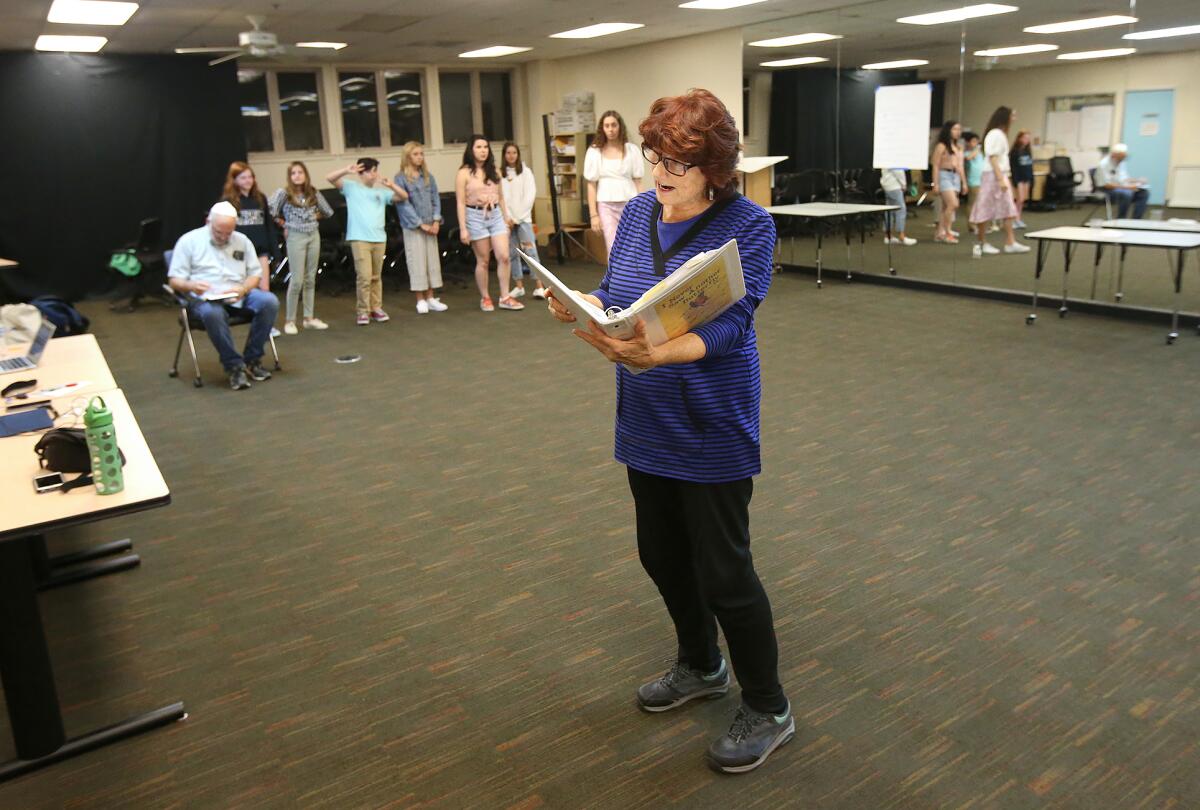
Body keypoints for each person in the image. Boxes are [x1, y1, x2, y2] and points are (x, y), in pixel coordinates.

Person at [544, 89, 792, 775]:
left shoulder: (749, 226)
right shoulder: (638, 215)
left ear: (714, 166)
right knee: (660, 553)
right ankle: (701, 664)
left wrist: (656, 352)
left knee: (725, 572)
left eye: (679, 162)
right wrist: (584, 306)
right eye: (656, 156)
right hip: (647, 417)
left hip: (711, 421)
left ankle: (769, 705)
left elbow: (730, 325)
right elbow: (616, 289)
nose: (661, 173)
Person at [167, 201, 280, 391]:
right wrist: (191, 284)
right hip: (203, 298)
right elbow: (174, 280)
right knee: (213, 314)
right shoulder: (189, 241)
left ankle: (252, 360)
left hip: (238, 293)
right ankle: (234, 366)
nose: (224, 237)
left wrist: (244, 289)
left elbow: (255, 274)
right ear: (208, 222)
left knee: (269, 302)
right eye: (219, 232)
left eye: (229, 233)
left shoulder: (242, 240)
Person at [326, 158, 407, 325]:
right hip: (360, 238)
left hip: (379, 238)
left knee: (376, 276)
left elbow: (404, 196)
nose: (374, 174)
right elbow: (330, 178)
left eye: (375, 170)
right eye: (371, 171)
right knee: (364, 276)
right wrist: (346, 170)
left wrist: (390, 184)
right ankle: (362, 311)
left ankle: (376, 308)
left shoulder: (380, 193)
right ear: (361, 173)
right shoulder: (351, 188)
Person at [455, 135, 523, 312]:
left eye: (485, 147)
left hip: (495, 215)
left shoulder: (495, 171)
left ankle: (505, 296)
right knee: (484, 260)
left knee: (504, 256)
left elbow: (501, 197)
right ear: (471, 150)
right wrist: (463, 228)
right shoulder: (463, 173)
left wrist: (506, 217)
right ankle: (485, 297)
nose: (483, 150)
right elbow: (460, 202)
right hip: (475, 216)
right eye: (478, 147)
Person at [269, 161, 334, 334]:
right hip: (295, 236)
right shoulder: (284, 193)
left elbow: (328, 211)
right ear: (290, 177)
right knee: (296, 279)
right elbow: (270, 210)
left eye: (300, 172)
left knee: (310, 277)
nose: (297, 175)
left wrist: (313, 217)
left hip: (313, 235)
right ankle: (290, 320)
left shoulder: (313, 192)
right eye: (293, 173)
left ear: (305, 174)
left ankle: (308, 318)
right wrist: (283, 223)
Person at [394, 142, 448, 314]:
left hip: (430, 224)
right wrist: (420, 224)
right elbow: (404, 205)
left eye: (421, 154)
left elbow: (435, 199)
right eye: (416, 154)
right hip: (413, 227)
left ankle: (431, 297)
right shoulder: (400, 178)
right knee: (417, 262)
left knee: (431, 261)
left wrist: (436, 220)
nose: (420, 157)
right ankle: (420, 299)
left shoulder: (428, 176)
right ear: (408, 157)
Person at [968, 106, 1029, 258]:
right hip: (994, 175)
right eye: (1012, 115)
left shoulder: (999, 134)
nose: (1014, 118)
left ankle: (1010, 242)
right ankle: (982, 242)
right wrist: (1001, 179)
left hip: (998, 174)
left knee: (1008, 208)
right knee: (986, 208)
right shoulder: (995, 134)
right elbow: (992, 157)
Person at [584, 110, 644, 254]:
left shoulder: (632, 150)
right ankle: (616, 276)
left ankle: (631, 276)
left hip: (630, 204)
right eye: (607, 126)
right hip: (606, 205)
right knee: (613, 247)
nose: (610, 129)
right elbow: (591, 184)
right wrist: (593, 215)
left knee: (633, 247)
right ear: (602, 128)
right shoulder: (594, 151)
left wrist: (644, 209)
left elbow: (638, 182)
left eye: (614, 125)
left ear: (620, 126)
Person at [223, 162, 279, 294]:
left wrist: (275, 250)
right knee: (243, 289)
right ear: (234, 180)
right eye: (243, 178)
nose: (248, 181)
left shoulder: (260, 198)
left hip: (260, 251)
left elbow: (268, 226)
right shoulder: (229, 201)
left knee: (264, 289)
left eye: (250, 177)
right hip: (238, 252)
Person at [500, 141, 547, 300]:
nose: (511, 156)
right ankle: (518, 286)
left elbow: (529, 196)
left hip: (523, 219)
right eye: (508, 153)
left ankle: (539, 286)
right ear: (504, 155)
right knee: (512, 253)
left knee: (531, 252)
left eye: (514, 152)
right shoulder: (501, 174)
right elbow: (502, 199)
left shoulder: (526, 173)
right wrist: (508, 218)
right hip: (508, 221)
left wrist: (518, 217)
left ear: (518, 154)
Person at [931, 121, 967, 244]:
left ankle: (940, 232)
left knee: (946, 207)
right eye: (955, 129)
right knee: (953, 204)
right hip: (944, 175)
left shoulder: (958, 147)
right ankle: (948, 232)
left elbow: (961, 166)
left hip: (955, 176)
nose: (958, 132)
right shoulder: (941, 146)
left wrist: (964, 182)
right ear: (948, 130)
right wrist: (935, 184)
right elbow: (935, 165)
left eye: (959, 129)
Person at [1095, 143, 1149, 219]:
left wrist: (1137, 181)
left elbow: (1124, 178)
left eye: (1123, 158)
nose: (1122, 160)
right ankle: (1121, 218)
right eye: (1120, 158)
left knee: (1144, 192)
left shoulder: (1120, 162)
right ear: (1114, 155)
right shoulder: (1103, 164)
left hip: (1121, 187)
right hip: (1107, 189)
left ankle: (1136, 219)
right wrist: (1128, 188)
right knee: (1127, 194)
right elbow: (1106, 185)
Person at [879, 169, 916, 245]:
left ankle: (888, 236)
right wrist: (904, 184)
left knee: (889, 210)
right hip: (895, 186)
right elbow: (898, 171)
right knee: (901, 210)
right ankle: (901, 236)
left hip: (887, 185)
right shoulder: (895, 159)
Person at [1009, 129, 1034, 229]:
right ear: (1019, 139)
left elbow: (1030, 165)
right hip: (1018, 178)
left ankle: (1018, 218)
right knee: (1019, 199)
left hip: (1026, 177)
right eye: (1024, 138)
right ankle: (1014, 219)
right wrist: (1015, 180)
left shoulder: (1027, 151)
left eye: (1028, 138)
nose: (1027, 140)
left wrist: (1031, 178)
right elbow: (1013, 167)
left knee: (1023, 199)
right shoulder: (1015, 152)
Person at [963, 131, 983, 214]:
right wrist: (978, 148)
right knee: (972, 203)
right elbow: (968, 158)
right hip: (973, 181)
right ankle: (971, 224)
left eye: (977, 141)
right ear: (967, 142)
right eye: (973, 141)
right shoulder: (966, 152)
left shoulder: (980, 153)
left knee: (981, 204)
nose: (975, 143)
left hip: (982, 180)